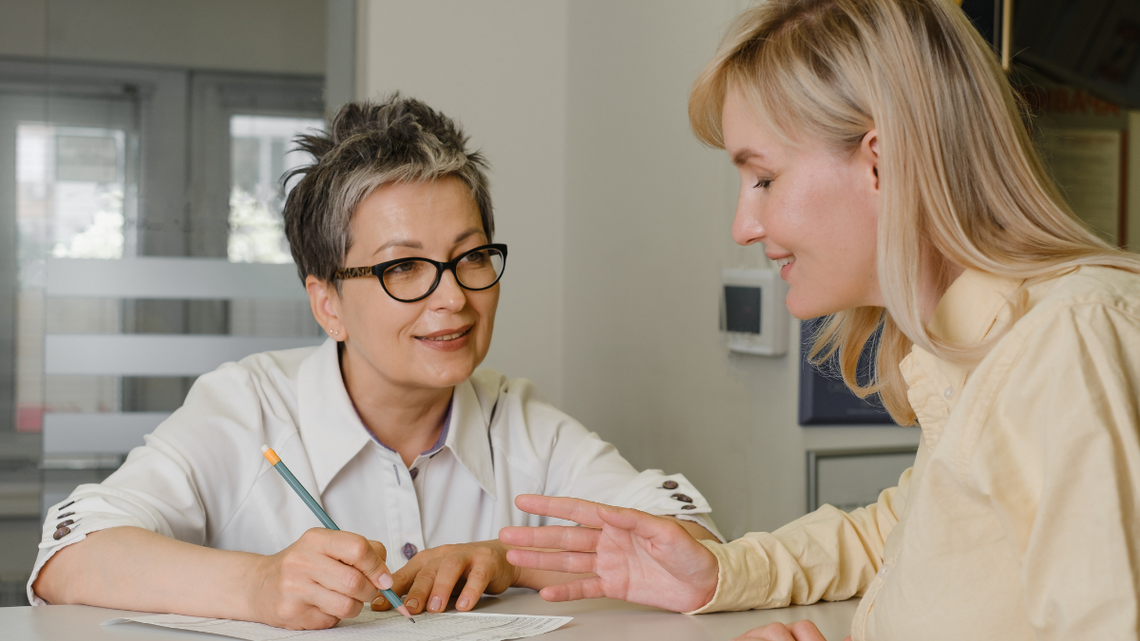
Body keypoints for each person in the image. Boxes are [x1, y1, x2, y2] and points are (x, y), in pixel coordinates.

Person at [499, 1, 1140, 640]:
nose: (743, 226)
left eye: (764, 178)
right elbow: (905, 531)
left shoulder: (1064, 343)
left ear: (880, 162)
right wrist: (719, 573)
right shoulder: (978, 347)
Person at [28, 95, 719, 629]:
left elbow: (694, 544)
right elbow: (69, 555)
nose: (453, 297)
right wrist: (257, 584)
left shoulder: (519, 418)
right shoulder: (247, 407)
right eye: (404, 268)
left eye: (472, 256)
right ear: (326, 302)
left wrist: (512, 561)